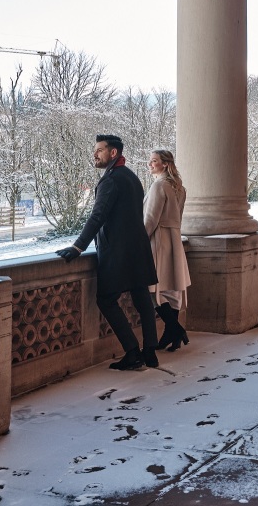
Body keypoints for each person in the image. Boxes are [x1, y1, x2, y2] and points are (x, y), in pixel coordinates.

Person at [56, 134, 159, 370]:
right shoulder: (132, 177)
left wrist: (77, 246)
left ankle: (133, 352)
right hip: (138, 248)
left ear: (113, 153)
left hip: (118, 252)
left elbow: (98, 216)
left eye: (99, 150)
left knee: (106, 299)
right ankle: (150, 351)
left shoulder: (111, 180)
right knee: (142, 297)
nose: (95, 154)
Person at [144, 149, 191, 351]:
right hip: (174, 239)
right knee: (172, 291)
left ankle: (175, 329)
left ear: (164, 164)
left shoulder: (159, 185)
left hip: (159, 241)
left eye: (154, 161)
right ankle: (172, 333)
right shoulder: (180, 187)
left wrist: (139, 241)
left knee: (154, 291)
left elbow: (150, 220)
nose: (150, 164)